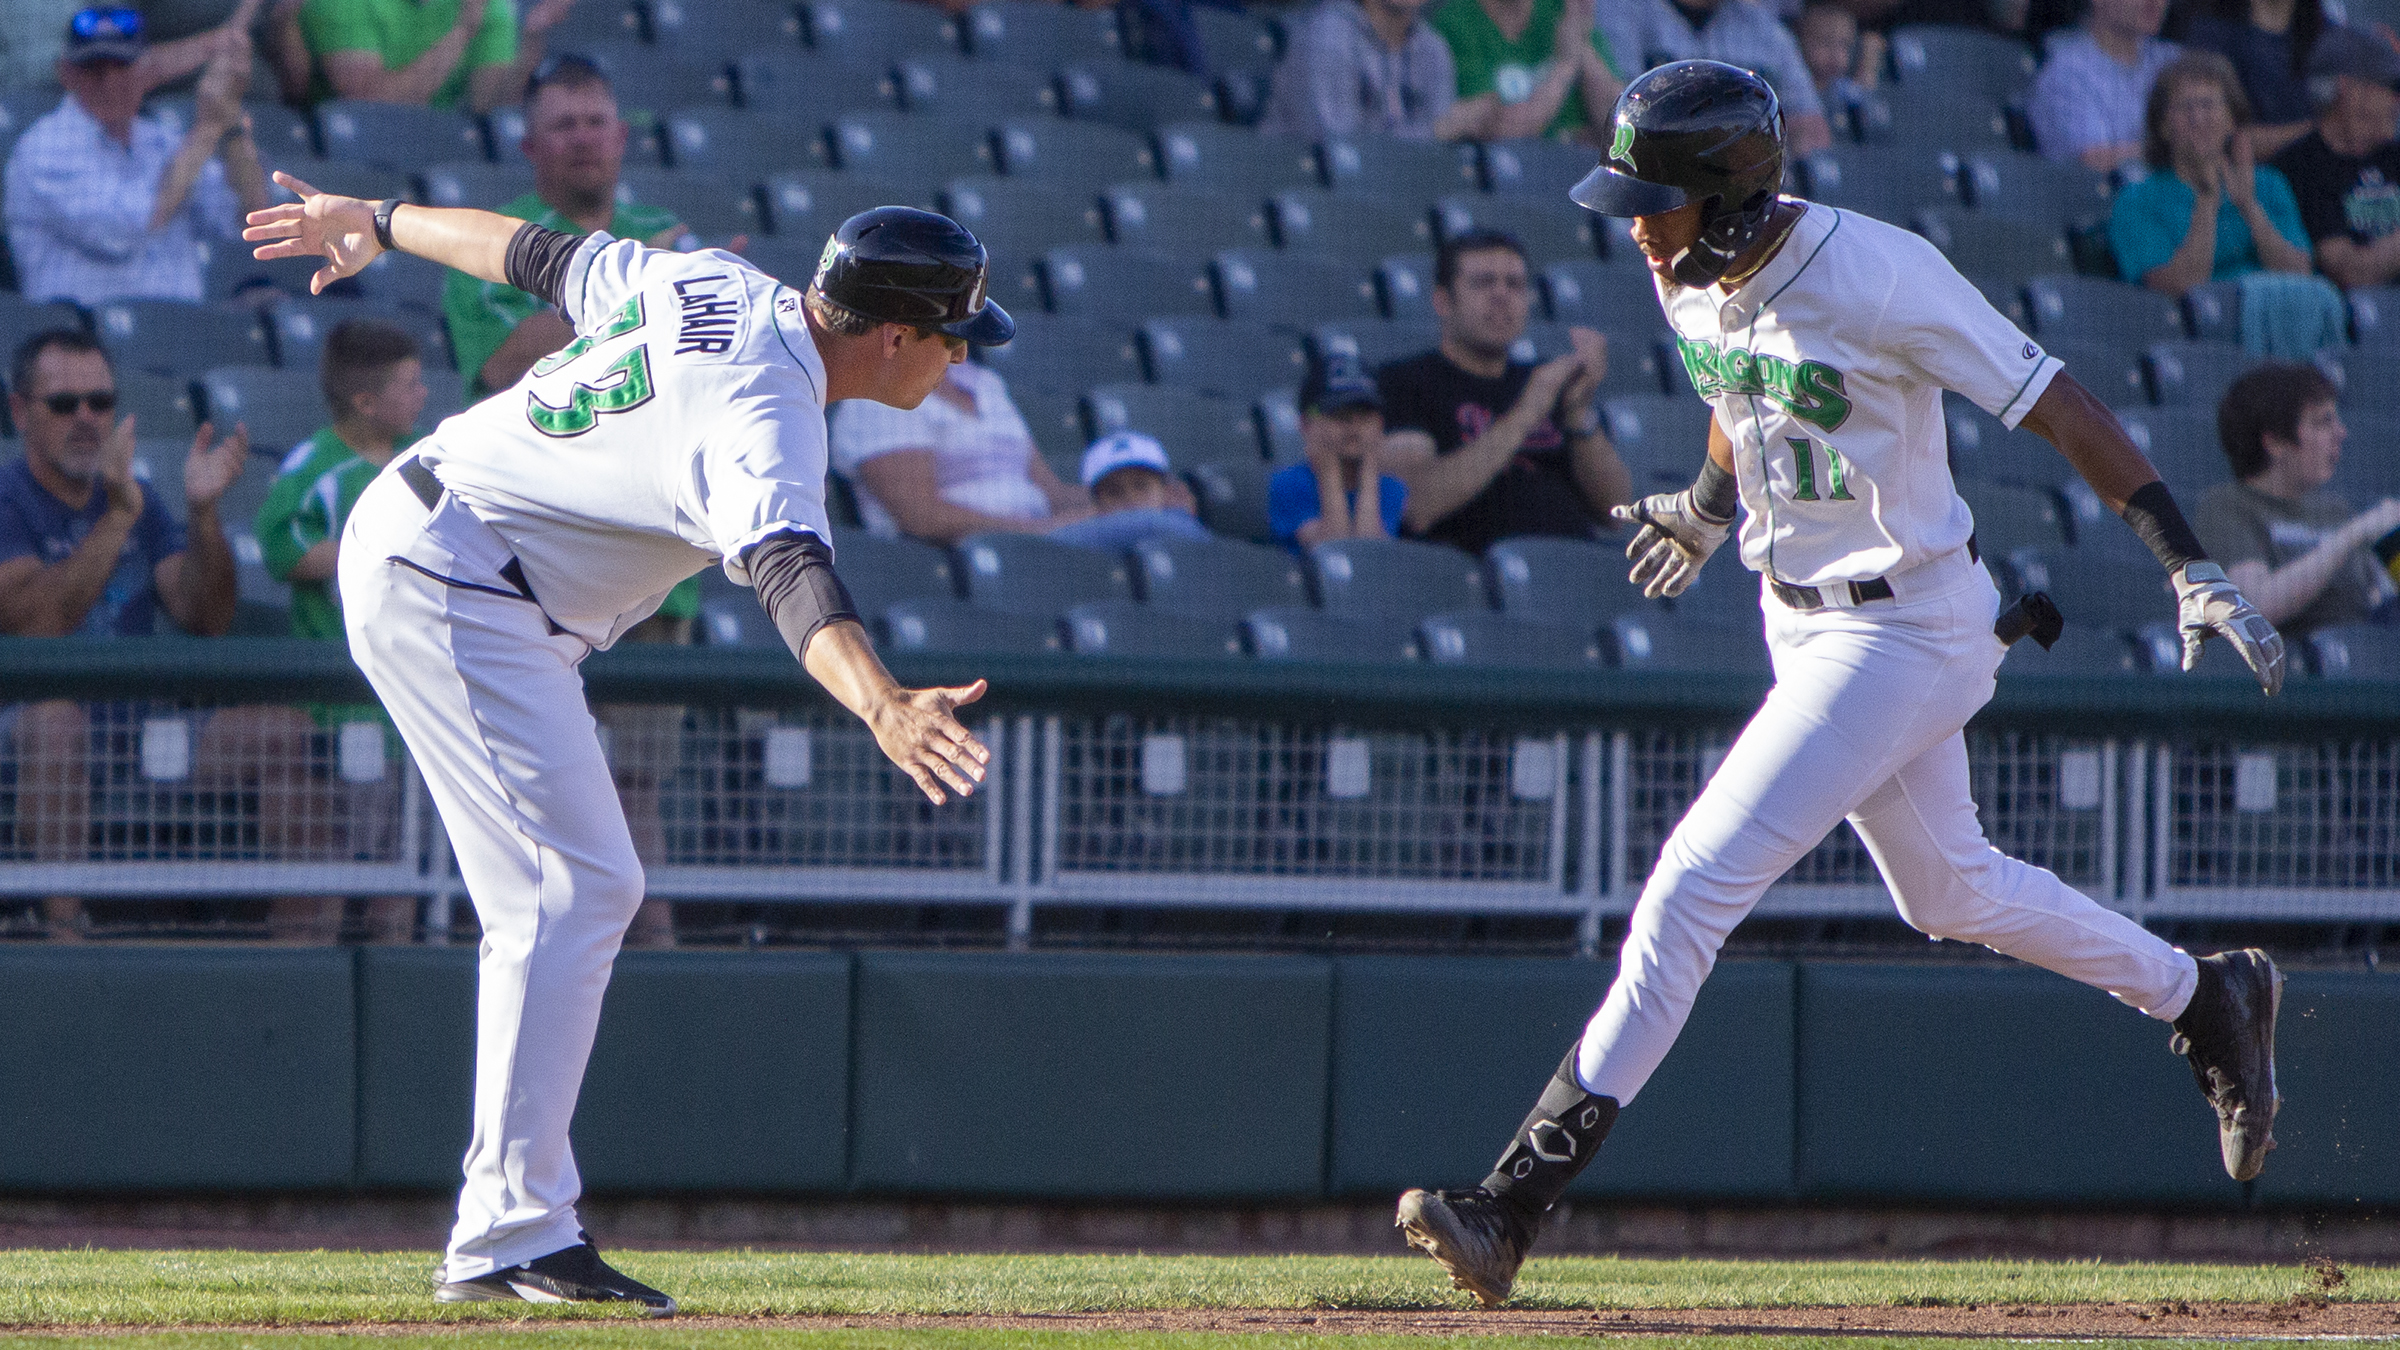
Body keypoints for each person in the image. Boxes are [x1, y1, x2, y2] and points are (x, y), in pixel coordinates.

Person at [1392, 61, 2289, 1309]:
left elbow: (2060, 405)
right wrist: (1711, 513)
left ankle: (1510, 1203)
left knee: (1694, 886)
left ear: (1733, 196)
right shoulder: (1689, 271)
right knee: (1947, 888)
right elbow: (1736, 393)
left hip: (1908, 622)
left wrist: (2187, 567)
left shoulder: (1878, 271)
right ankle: (2208, 994)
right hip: (1794, 615)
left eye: (1656, 200)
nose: (1635, 227)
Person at [246, 174, 1004, 1310]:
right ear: (893, 334)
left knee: (572, 888)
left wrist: (383, 220)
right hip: (454, 576)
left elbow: (532, 255)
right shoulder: (768, 413)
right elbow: (794, 578)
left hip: (454, 559)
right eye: (949, 337)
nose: (957, 358)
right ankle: (509, 1232)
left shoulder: (714, 282)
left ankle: (514, 1225)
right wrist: (885, 704)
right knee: (578, 885)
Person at [440, 53, 705, 742]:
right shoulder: (494, 245)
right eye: (563, 126)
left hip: (658, 552)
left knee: (640, 785)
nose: (583, 138)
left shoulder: (669, 229)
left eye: (596, 122)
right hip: (536, 557)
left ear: (621, 138)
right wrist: (641, 285)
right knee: (535, 783)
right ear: (530, 148)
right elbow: (500, 367)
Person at [0, 329, 247, 941]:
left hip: (139, 732)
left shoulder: (139, 500)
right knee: (58, 720)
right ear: (19, 411)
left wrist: (203, 514)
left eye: (100, 402)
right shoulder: (8, 499)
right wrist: (116, 518)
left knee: (281, 732)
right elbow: (36, 626)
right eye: (63, 404)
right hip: (24, 735)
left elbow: (204, 616)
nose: (86, 418)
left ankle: (309, 945)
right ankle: (63, 932)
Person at [252, 318, 429, 944]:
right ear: (365, 401)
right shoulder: (315, 466)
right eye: (409, 385)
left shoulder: (428, 461)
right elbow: (281, 552)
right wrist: (374, 550)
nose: (423, 395)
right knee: (321, 877)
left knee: (398, 880)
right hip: (335, 712)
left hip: (411, 711)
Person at [1374, 228, 1631, 555]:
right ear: (1443, 301)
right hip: (1476, 577)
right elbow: (1417, 507)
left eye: (1515, 284)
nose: (1501, 295)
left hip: (1574, 568)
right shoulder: (1403, 382)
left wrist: (1578, 414)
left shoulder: (1546, 382)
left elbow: (1616, 512)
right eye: (1483, 283)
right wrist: (1526, 413)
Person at [5, 6, 273, 307]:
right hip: (84, 334)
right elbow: (125, 231)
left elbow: (250, 221)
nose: (110, 82)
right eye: (94, 70)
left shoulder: (161, 140)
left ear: (147, 72)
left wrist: (232, 123)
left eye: (122, 67)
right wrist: (208, 129)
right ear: (66, 74)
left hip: (181, 331)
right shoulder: (46, 146)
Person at [2194, 361, 2399, 636]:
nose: (2341, 433)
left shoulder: (2336, 511)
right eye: (2323, 422)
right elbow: (2253, 607)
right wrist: (2350, 536)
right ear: (2275, 443)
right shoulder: (2226, 507)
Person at [2109, 51, 2314, 297]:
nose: (2198, 119)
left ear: (2231, 120)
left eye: (2208, 105)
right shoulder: (2137, 202)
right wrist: (2207, 199)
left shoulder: (2269, 184)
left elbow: (2300, 275)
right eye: (2185, 108)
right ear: (2163, 127)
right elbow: (2176, 287)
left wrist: (2249, 207)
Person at [830, 360, 1090, 545]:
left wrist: (1113, 504)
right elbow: (922, 517)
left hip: (1038, 540)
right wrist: (1038, 531)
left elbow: (1051, 492)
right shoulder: (880, 395)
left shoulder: (986, 383)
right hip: (961, 557)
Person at [1596, 0, 1836, 153]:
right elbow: (1619, 114)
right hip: (1657, 178)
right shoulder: (1622, 9)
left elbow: (1812, 127)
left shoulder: (1763, 29)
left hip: (1746, 184)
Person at [2269, 23, 2400, 290]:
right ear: (2349, 89)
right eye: (2391, 88)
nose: (2397, 101)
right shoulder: (2300, 166)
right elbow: (2347, 270)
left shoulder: (2393, 155)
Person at [299, 0, 579, 113]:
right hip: (360, 163)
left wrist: (531, 35)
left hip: (444, 149)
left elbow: (488, 106)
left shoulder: (488, 3)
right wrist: (462, 31)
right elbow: (373, 107)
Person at [1259, 0, 1468, 141]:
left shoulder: (1433, 48)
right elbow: (1338, 148)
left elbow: (1440, 158)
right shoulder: (1329, 34)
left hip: (1397, 193)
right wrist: (1436, 131)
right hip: (1309, 190)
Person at [1269, 351, 1409, 552]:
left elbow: (1369, 556)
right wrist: (1329, 472)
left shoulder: (1392, 489)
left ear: (1380, 424)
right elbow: (1336, 553)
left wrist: (1369, 470)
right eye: (1340, 416)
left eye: (1365, 417)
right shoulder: (1288, 484)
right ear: (1307, 424)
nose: (1354, 427)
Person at [1429, 0, 1623, 142]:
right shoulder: (1456, 22)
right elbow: (1500, 127)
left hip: (1573, 175)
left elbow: (1621, 126)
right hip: (1505, 181)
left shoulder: (1560, 12)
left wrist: (1582, 46)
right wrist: (1566, 66)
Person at [2026, 0, 2180, 171]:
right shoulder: (2068, 70)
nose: (2156, 2)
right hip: (2103, 194)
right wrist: (2181, 149)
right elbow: (2093, 161)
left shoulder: (2170, 60)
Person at [2174, 0, 2322, 157]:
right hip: (2238, 174)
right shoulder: (2211, 35)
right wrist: (2317, 132)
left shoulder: (2330, 39)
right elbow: (2214, 136)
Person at [1047, 431, 1215, 551]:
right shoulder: (1084, 545)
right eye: (1114, 492)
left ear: (1165, 491)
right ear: (1097, 505)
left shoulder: (1183, 532)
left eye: (1141, 486)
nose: (1130, 498)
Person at [1796, 0, 1884, 131]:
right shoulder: (1793, 89)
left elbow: (1868, 106)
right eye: (1826, 43)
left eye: (1844, 45)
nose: (1836, 55)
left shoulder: (1845, 90)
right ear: (1801, 42)